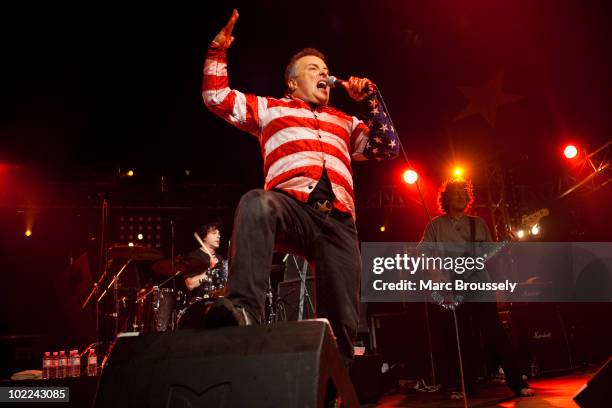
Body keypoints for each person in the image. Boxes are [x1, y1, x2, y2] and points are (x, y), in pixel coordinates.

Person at [201, 9, 399, 364]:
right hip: (292, 207)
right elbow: (217, 98)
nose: (323, 74)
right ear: (292, 83)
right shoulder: (271, 110)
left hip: (337, 220)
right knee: (256, 203)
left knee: (343, 320)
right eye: (313, 69)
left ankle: (333, 379)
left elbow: (387, 147)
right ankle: (245, 310)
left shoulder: (345, 122)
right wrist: (217, 51)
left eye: (325, 70)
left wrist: (370, 98)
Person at [421, 178, 535, 397]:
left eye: (465, 193)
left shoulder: (478, 224)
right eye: (456, 193)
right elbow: (423, 252)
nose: (462, 197)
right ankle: (467, 388)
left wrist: (505, 243)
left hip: (480, 286)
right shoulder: (435, 225)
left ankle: (517, 383)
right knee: (463, 337)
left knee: (495, 332)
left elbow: (489, 254)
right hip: (454, 287)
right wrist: (436, 274)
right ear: (446, 198)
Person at [183, 222, 226, 300]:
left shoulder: (220, 258)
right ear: (204, 237)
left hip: (217, 301)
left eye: (219, 234)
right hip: (200, 302)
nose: (218, 236)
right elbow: (190, 285)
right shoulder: (194, 257)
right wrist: (211, 269)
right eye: (214, 233)